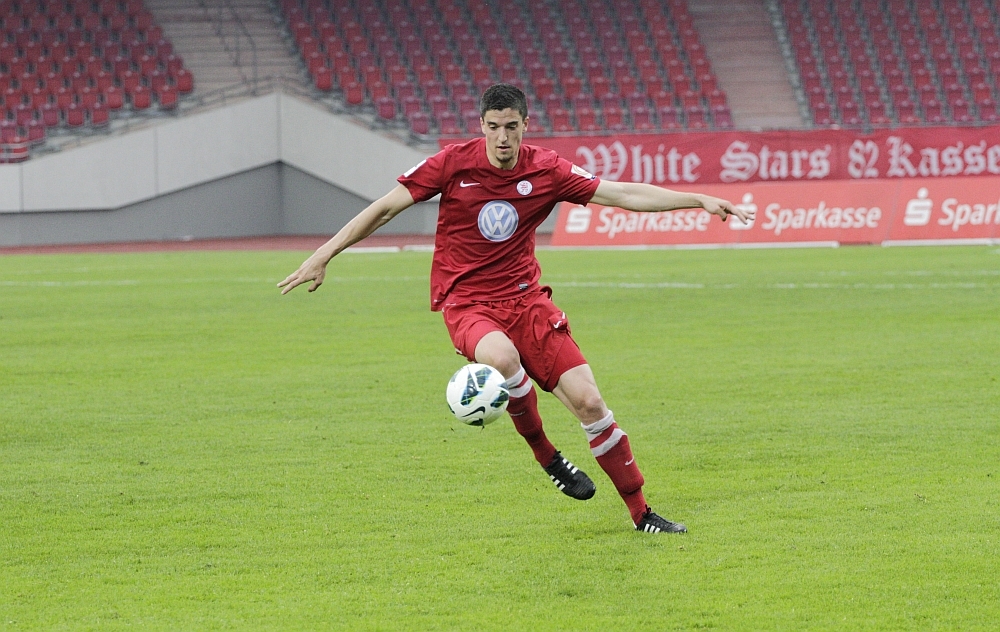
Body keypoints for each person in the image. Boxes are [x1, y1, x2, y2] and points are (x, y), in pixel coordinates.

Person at [279, 83, 754, 533]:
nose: (502, 137)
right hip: (467, 303)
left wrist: (698, 199)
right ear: (481, 126)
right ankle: (547, 456)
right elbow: (384, 208)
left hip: (527, 301)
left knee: (590, 403)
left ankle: (642, 514)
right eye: (493, 127)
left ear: (526, 125)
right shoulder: (452, 164)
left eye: (511, 127)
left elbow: (623, 194)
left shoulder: (546, 169)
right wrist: (324, 254)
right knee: (503, 358)